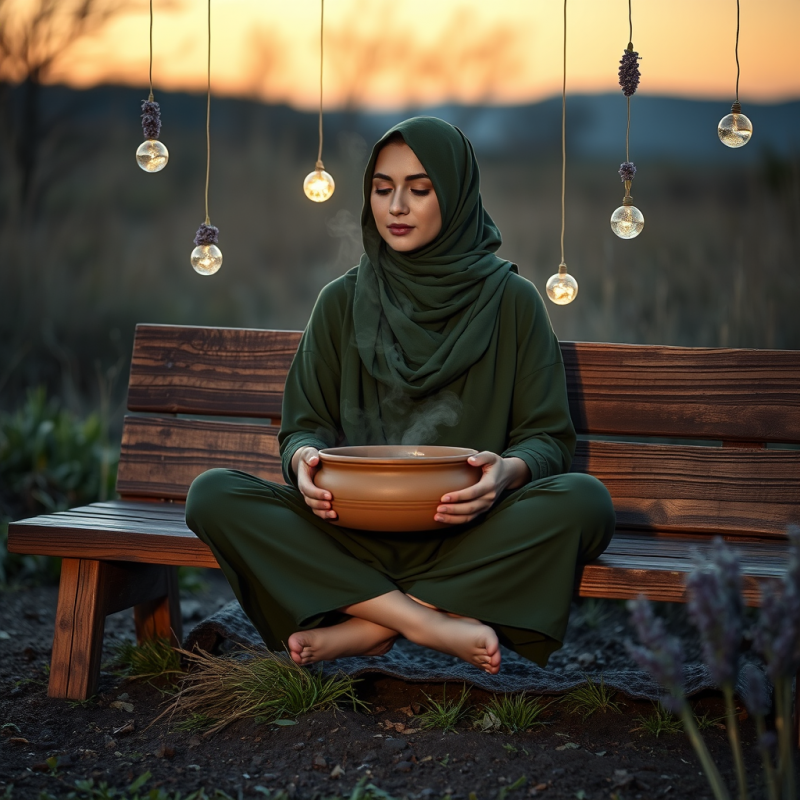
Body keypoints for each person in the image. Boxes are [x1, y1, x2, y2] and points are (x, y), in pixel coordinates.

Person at [185, 116, 615, 676]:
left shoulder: (514, 302)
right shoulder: (340, 303)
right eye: (383, 189)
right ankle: (423, 620)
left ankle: (370, 625)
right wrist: (304, 464)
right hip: (349, 531)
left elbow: (547, 438)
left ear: (457, 195)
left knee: (587, 503)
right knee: (212, 494)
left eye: (419, 188)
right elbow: (302, 427)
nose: (396, 207)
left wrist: (506, 473)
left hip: (470, 531)